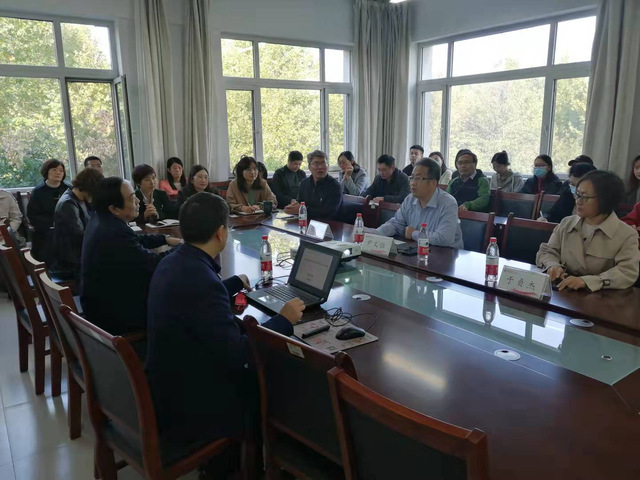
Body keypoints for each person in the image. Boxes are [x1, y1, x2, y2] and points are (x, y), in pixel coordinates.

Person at [145, 192, 304, 453]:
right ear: (221, 233)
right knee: (275, 374)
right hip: (192, 403)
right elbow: (238, 353)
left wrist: (231, 284)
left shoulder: (172, 261)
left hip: (168, 380)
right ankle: (270, 454)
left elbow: (197, 301)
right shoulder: (201, 280)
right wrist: (283, 320)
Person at [81, 177, 181, 335]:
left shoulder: (101, 219)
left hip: (100, 303)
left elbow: (135, 240)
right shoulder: (114, 232)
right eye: (132, 197)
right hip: (115, 316)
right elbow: (155, 264)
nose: (138, 201)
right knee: (181, 300)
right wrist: (183, 249)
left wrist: (164, 239)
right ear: (114, 209)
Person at [536, 170, 640, 292]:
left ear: (605, 199)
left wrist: (589, 281)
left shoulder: (626, 234)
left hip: (602, 298)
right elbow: (547, 251)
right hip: (563, 292)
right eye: (577, 195)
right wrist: (553, 265)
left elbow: (627, 272)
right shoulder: (567, 223)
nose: (578, 201)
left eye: (584, 197)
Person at [376, 157, 463, 249]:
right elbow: (396, 224)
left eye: (418, 178)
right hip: (418, 250)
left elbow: (444, 238)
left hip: (446, 253)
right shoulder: (409, 199)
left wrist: (413, 233)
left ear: (433, 183)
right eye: (412, 178)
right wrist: (376, 233)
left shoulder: (448, 203)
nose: (412, 183)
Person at [51, 167, 104, 281]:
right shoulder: (68, 204)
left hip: (78, 256)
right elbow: (80, 236)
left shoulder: (78, 199)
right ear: (90, 187)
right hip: (72, 263)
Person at [27, 159, 70, 263]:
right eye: (54, 169)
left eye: (61, 170)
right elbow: (32, 215)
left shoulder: (69, 190)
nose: (58, 173)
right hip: (46, 230)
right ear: (46, 171)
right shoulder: (38, 191)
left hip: (67, 229)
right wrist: (53, 223)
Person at [284, 150, 342, 219]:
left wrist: (303, 210)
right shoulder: (304, 183)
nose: (320, 167)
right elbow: (300, 202)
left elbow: (329, 212)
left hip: (328, 223)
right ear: (309, 167)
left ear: (328, 166)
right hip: (307, 222)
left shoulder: (335, 186)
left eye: (323, 163)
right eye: (316, 164)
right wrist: (292, 207)